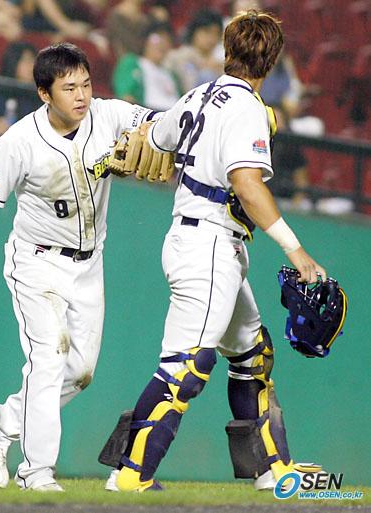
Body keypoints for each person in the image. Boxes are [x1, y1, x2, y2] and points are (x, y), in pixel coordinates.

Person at [104, 10, 326, 493]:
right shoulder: (246, 107)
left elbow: (156, 137)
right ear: (271, 60)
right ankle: (130, 473)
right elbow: (246, 183)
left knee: (252, 354)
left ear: (228, 51)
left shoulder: (197, 94)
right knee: (185, 366)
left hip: (203, 240)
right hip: (207, 244)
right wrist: (296, 250)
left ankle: (272, 470)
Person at [0, 42, 157, 492]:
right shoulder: (19, 142)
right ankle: (36, 473)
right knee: (47, 360)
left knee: (79, 372)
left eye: (86, 84)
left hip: (89, 263)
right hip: (37, 263)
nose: (81, 95)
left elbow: (158, 124)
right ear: (45, 94)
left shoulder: (108, 115)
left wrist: (153, 134)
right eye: (69, 88)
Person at [112, 22, 182, 110]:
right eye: (156, 39)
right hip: (149, 114)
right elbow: (125, 96)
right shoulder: (132, 63)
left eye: (167, 40)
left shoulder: (172, 75)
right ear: (145, 41)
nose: (162, 44)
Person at [165, 9, 224, 93]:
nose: (211, 38)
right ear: (195, 31)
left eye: (216, 33)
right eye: (207, 32)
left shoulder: (221, 62)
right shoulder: (177, 56)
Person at [0, 41, 41, 128]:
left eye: (34, 61)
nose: (31, 65)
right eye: (26, 61)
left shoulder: (42, 95)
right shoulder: (0, 92)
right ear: (13, 63)